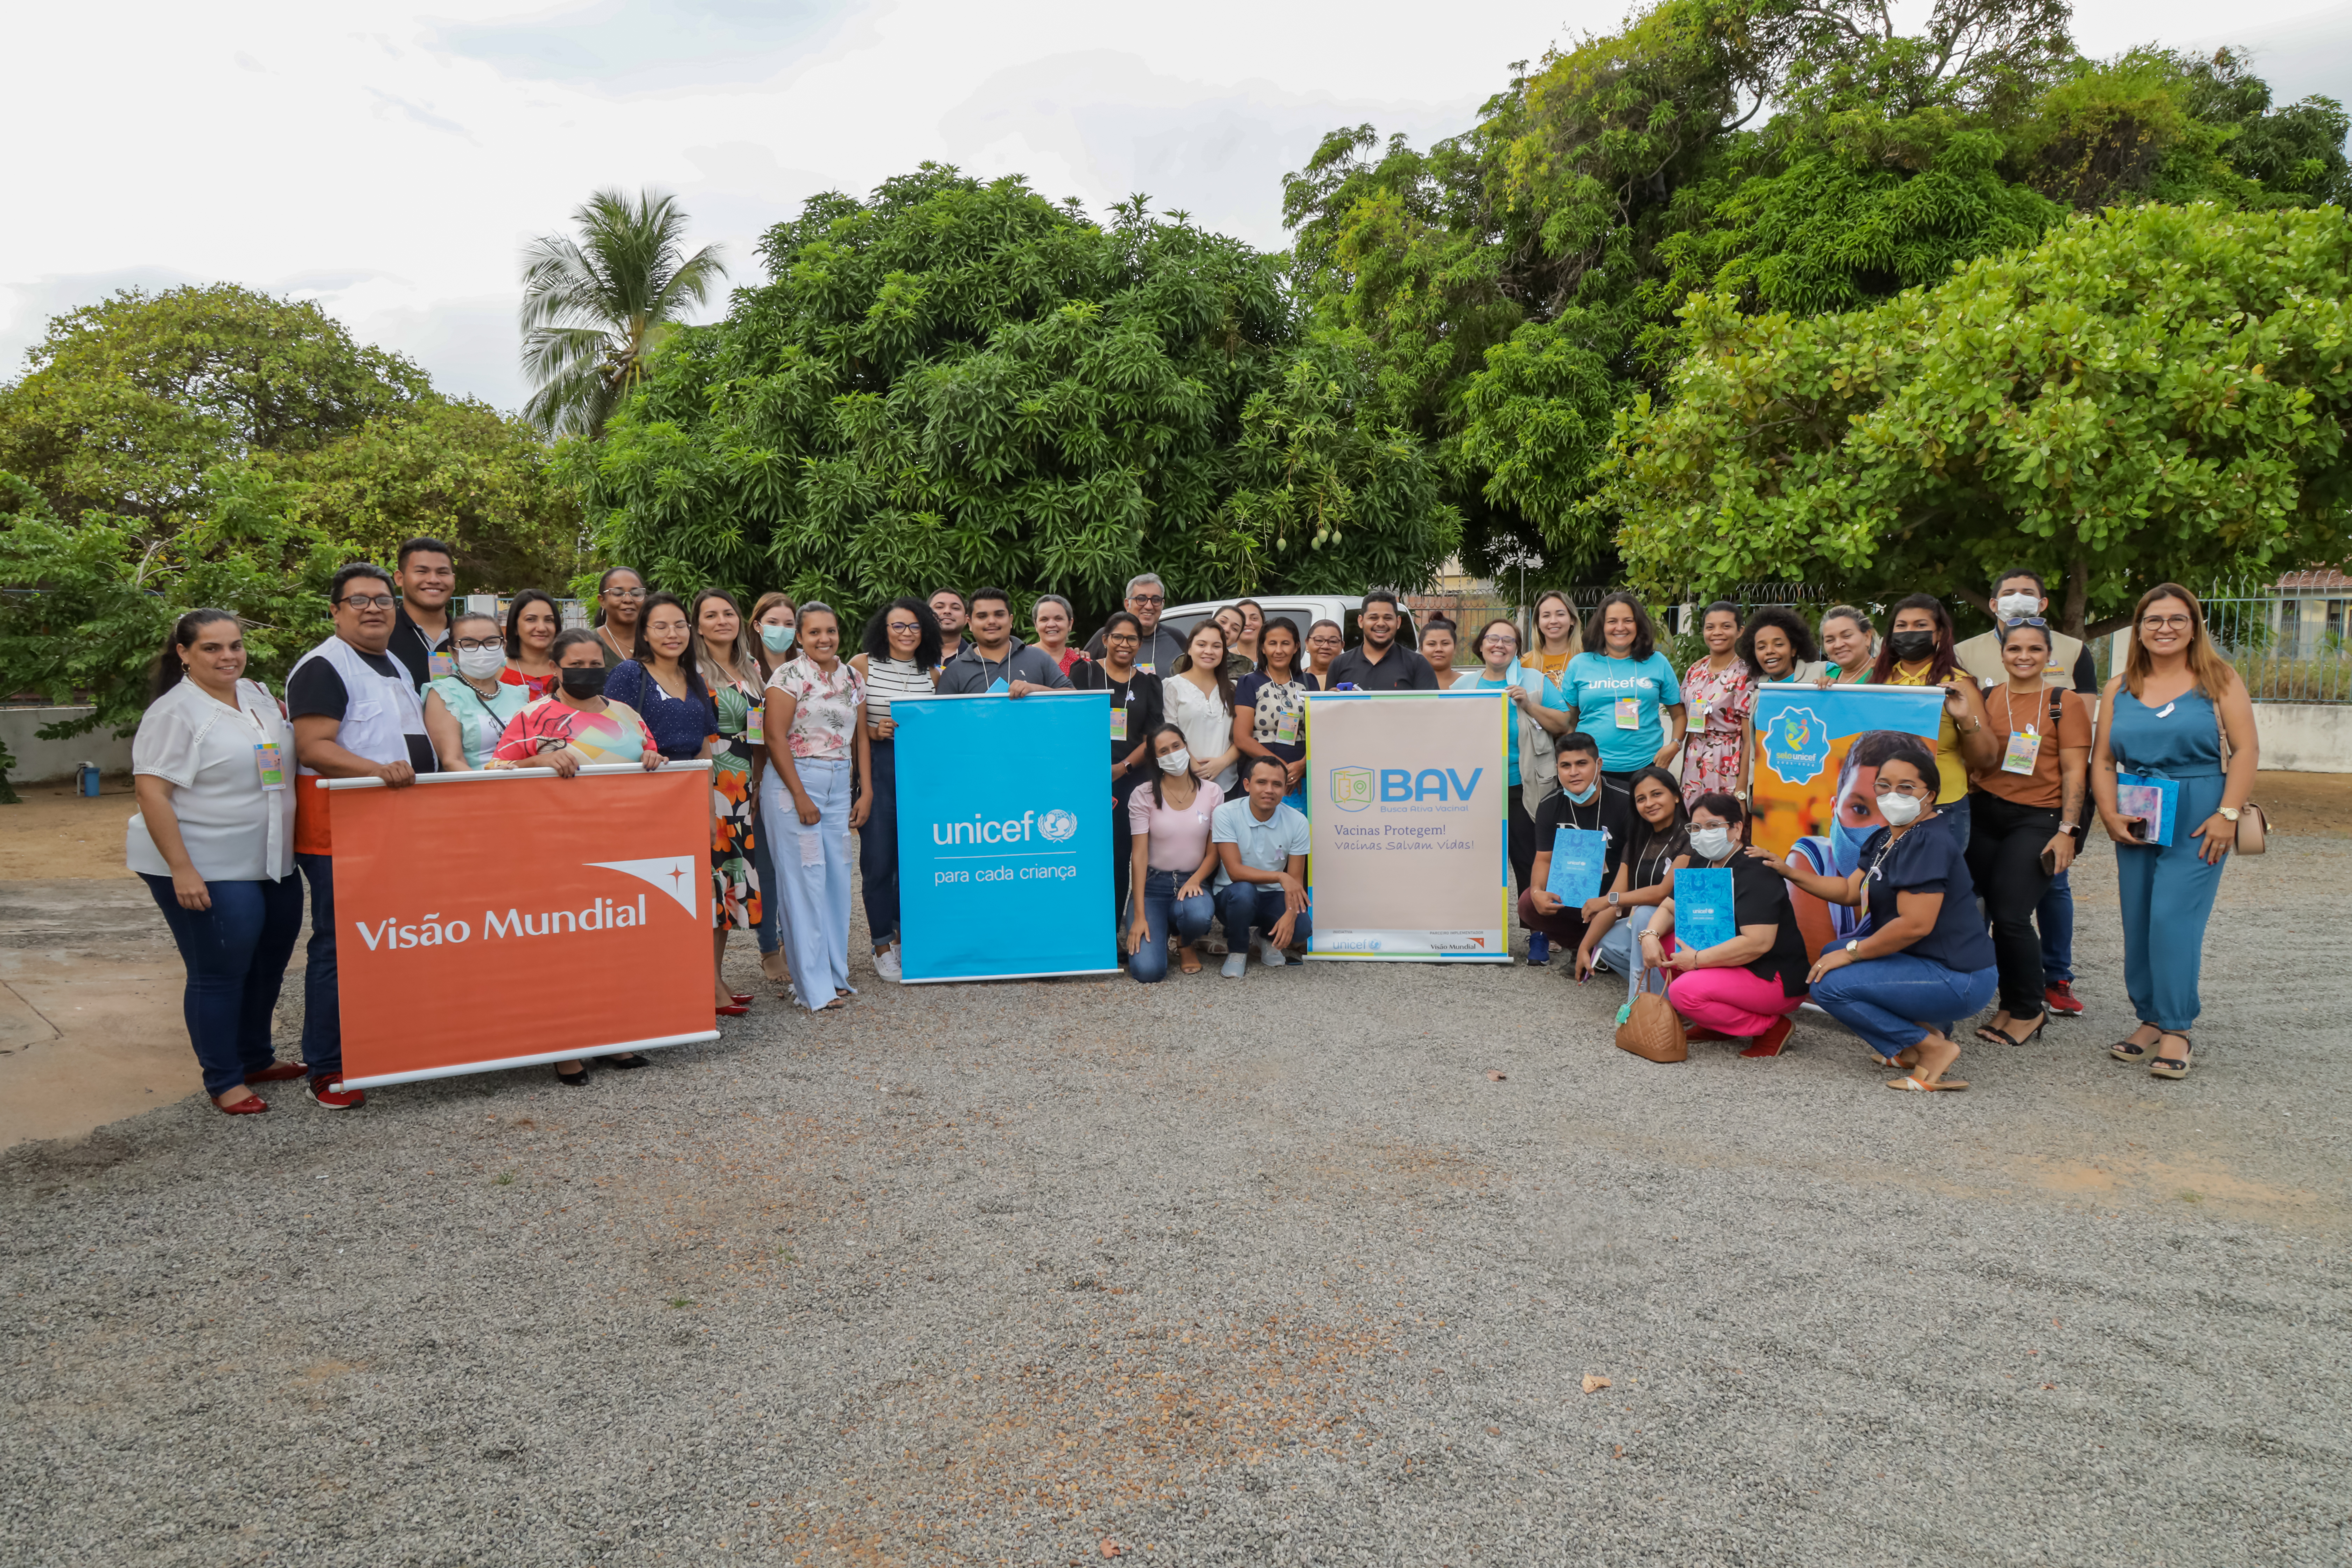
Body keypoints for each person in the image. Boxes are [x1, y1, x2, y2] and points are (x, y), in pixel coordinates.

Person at [128, 610, 304, 1114]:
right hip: (207, 862)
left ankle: (255, 1057)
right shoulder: (174, 713)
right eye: (212, 648)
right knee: (220, 971)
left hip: (271, 858)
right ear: (184, 653)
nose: (228, 656)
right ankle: (224, 1079)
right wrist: (183, 869)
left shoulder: (255, 695)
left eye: (235, 645)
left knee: (269, 964)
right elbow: (153, 793)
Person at [1757, 736, 1997, 1092]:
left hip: (1958, 976)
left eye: (1906, 787)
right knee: (1828, 955)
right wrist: (1789, 871)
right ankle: (1915, 1043)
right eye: (1884, 786)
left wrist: (1851, 952)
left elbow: (1915, 924)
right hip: (1926, 964)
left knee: (1829, 985)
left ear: (1930, 794)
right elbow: (1851, 891)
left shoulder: (1927, 841)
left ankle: (1933, 1048)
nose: (1892, 795)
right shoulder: (1888, 836)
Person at [287, 564, 439, 1110]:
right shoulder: (325, 667)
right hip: (340, 833)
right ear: (335, 610)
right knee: (338, 947)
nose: (373, 609)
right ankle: (328, 1066)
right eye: (359, 601)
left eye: (382, 600)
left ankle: (378, 1046)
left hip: (390, 829)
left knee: (388, 942)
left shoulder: (393, 663)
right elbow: (314, 747)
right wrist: (377, 772)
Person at [2092, 583, 2259, 1081]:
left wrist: (2227, 814)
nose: (2165, 629)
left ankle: (2178, 1029)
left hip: (2199, 811)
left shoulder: (2218, 679)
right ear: (2139, 629)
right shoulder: (2118, 687)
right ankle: (2150, 1017)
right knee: (2139, 917)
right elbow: (2103, 759)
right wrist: (2108, 812)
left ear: (2194, 628)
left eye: (2177, 620)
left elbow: (2247, 750)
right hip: (2138, 807)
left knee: (2172, 918)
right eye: (2154, 620)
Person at [491, 629, 664, 1081]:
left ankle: (615, 1038)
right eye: (578, 665)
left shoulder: (626, 713)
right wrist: (537, 762)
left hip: (623, 849)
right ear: (556, 668)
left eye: (595, 665)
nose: (588, 673)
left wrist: (653, 760)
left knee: (617, 943)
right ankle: (565, 1045)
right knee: (565, 947)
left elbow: (651, 754)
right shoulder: (533, 717)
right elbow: (493, 770)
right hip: (557, 850)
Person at [1953, 568, 2097, 1019]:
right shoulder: (1988, 697)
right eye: (2014, 648)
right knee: (1978, 906)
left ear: (2048, 654)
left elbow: (2077, 773)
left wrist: (2068, 831)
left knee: (2013, 915)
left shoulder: (2064, 702)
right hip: (1986, 813)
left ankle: (2026, 1009)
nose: (2024, 655)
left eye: (2035, 649)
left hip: (2038, 819)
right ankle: (1983, 992)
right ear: (2002, 652)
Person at [763, 603, 873, 1012]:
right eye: (814, 633)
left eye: (831, 631)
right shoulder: (788, 676)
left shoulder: (852, 676)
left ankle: (833, 974)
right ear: (800, 638)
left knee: (837, 881)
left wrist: (866, 791)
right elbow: (775, 738)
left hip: (840, 783)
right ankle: (812, 987)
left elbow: (861, 736)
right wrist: (800, 795)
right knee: (804, 881)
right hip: (797, 784)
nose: (824, 639)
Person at [1642, 793, 1811, 1057]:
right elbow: (1669, 907)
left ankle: (1771, 1028)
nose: (1702, 834)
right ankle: (1715, 1024)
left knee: (1683, 992)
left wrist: (1697, 960)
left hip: (1770, 975)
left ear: (1737, 828)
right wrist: (1649, 936)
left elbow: (1759, 943)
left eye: (1712, 826)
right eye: (1695, 828)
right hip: (1729, 963)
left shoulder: (1757, 872)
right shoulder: (1701, 861)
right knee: (1667, 944)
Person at [850, 598, 942, 982]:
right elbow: (854, 730)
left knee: (915, 861)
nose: (907, 633)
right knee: (878, 861)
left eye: (915, 626)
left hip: (921, 777)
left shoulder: (934, 675)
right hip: (879, 772)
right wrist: (874, 734)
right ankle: (881, 945)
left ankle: (908, 939)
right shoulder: (862, 665)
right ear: (883, 630)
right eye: (898, 626)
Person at [693, 588, 769, 1015]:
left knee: (724, 891)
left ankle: (715, 978)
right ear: (697, 624)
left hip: (742, 787)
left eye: (728, 613)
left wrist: (756, 782)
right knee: (709, 886)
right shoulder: (691, 668)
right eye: (711, 614)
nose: (722, 620)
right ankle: (707, 983)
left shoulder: (750, 666)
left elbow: (755, 733)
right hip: (710, 784)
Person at [1466, 618, 1572, 924]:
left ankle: (1537, 930)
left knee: (1529, 860)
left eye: (1508, 640)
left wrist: (1528, 704)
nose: (1499, 645)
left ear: (1517, 649)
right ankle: (1478, 929)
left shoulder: (1536, 682)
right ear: (1481, 645)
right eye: (1492, 638)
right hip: (1474, 789)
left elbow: (1563, 724)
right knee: (1478, 861)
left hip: (1524, 787)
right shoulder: (1464, 686)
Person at [1871, 593, 1997, 844]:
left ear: (1939, 634)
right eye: (1902, 626)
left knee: (1933, 882)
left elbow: (1986, 758)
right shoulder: (1876, 681)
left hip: (1941, 806)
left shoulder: (1959, 686)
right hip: (1884, 803)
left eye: (1921, 626)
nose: (1910, 632)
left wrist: (1965, 720)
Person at [1080, 611, 1164, 928]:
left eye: (1132, 638)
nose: (1124, 644)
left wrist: (1123, 767)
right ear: (1105, 640)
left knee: (1119, 857)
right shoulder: (1084, 673)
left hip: (1130, 779)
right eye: (1118, 637)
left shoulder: (1148, 683)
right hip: (1086, 778)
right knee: (1083, 850)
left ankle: (1111, 930)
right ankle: (1081, 927)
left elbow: (1152, 737)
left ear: (1140, 644)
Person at [1572, 766, 1687, 997]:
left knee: (1644, 914)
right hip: (1648, 925)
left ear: (1675, 795)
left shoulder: (1689, 837)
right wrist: (1585, 947)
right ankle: (1663, 997)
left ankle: (1639, 1001)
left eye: (1657, 794)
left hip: (1680, 922)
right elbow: (1615, 899)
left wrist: (1608, 900)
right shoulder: (1637, 842)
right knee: (1606, 940)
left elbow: (1663, 893)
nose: (1649, 803)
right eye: (1641, 799)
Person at [1520, 733, 1632, 968]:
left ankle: (1604, 948)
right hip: (1574, 890)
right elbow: (1543, 859)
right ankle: (1583, 946)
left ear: (1598, 764)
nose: (1573, 772)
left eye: (1582, 764)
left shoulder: (1627, 801)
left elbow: (1636, 863)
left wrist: (1611, 899)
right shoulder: (1550, 805)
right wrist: (1539, 892)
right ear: (1557, 768)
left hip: (1618, 890)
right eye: (1566, 766)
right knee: (1528, 905)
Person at [1124, 723, 1222, 981]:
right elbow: (1139, 855)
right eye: (1164, 751)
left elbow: (1214, 852)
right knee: (1148, 972)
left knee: (1199, 914)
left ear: (1186, 747)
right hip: (1153, 886)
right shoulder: (1143, 795)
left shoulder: (1213, 792)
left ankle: (1184, 941)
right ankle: (1160, 929)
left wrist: (1196, 880)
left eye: (1176, 746)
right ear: (1156, 760)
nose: (1172, 754)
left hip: (1193, 881)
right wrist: (1139, 917)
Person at [1559, 592, 1685, 787]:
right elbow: (1569, 722)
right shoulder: (1580, 664)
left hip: (1647, 767)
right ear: (1602, 626)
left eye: (1628, 621)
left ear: (1638, 625)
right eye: (1612, 621)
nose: (1620, 628)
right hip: (1591, 768)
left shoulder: (1658, 662)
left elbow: (1679, 715)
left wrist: (1674, 746)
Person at [1210, 755, 1311, 978]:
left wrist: (1291, 916)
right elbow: (1235, 872)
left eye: (1277, 784)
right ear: (1247, 785)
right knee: (1244, 892)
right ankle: (1238, 949)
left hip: (1272, 896)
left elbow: (1295, 881)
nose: (1270, 790)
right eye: (1262, 782)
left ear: (1286, 789)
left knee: (1303, 927)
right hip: (1232, 895)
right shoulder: (1226, 814)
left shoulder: (1298, 822)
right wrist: (1280, 877)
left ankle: (1265, 936)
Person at [746, 591, 800, 992]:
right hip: (761, 775)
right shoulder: (747, 672)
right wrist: (757, 779)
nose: (781, 630)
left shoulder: (806, 667)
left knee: (799, 864)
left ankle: (796, 939)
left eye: (789, 623)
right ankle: (769, 948)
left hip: (806, 777)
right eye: (774, 622)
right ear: (757, 624)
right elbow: (755, 734)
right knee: (765, 866)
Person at [1954, 568, 2098, 693]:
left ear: (2042, 604)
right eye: (2009, 594)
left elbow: (2083, 716)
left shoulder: (2074, 650)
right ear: (1994, 605)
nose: (2018, 599)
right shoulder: (1963, 654)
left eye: (2028, 594)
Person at [422, 610, 531, 770]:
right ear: (453, 653)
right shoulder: (444, 695)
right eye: (469, 644)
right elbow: (452, 760)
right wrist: (487, 781)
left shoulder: (518, 695)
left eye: (491, 642)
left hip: (525, 785)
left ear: (504, 647)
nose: (482, 650)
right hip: (477, 789)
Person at [1734, 607, 1821, 798]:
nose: (1770, 651)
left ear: (1794, 649)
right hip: (1768, 790)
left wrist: (1832, 680)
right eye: (1762, 647)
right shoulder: (1758, 688)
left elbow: (1855, 672)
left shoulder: (1821, 672)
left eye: (1779, 644)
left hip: (1814, 789)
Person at [1232, 617, 1316, 812]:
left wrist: (1303, 765)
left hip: (1303, 771)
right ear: (1262, 648)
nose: (1279, 651)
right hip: (1263, 771)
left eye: (1286, 644)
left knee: (1302, 831)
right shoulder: (1249, 682)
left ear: (1296, 647)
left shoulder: (1309, 682)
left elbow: (1319, 732)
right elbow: (1242, 738)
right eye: (1272, 644)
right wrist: (1282, 769)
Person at [1678, 601, 1750, 805]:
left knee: (1722, 827)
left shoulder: (1745, 675)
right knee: (1693, 825)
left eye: (1726, 626)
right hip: (1695, 761)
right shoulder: (1695, 671)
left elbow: (1749, 739)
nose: (1717, 632)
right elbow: (1692, 726)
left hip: (1727, 762)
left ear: (1740, 631)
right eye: (1710, 627)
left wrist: (1742, 789)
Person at [938, 587, 1075, 695]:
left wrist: (1036, 690)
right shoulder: (955, 670)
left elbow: (1074, 697)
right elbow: (942, 720)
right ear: (970, 623)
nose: (991, 621)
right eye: (982, 616)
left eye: (999, 615)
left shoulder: (1039, 657)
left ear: (1010, 620)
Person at [1165, 621, 1242, 792]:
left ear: (1224, 652)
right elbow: (1169, 734)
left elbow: (1243, 736)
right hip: (1185, 783)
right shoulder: (1172, 686)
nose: (1209, 651)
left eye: (1217, 646)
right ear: (1190, 649)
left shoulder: (1233, 688)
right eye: (1202, 645)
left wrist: (1222, 763)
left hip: (1228, 785)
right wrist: (1194, 766)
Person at [1326, 590, 1440, 690]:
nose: (1381, 624)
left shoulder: (1418, 665)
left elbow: (1431, 710)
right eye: (1374, 618)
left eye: (1388, 618)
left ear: (1398, 622)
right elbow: (1328, 711)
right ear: (1361, 621)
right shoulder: (1339, 665)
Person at [384, 536, 458, 690]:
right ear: (399, 578)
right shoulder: (382, 634)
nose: (433, 580)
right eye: (422, 572)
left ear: (453, 580)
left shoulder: (467, 638)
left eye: (442, 573)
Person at [1084, 573, 1186, 674]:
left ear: (1163, 604)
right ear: (1127, 604)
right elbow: (1083, 673)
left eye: (1156, 600)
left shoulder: (1176, 638)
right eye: (1141, 599)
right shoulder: (1109, 635)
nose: (1149, 606)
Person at [502, 588, 562, 698]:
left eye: (549, 620)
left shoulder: (567, 671)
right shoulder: (497, 674)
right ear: (515, 627)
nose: (542, 628)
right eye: (531, 619)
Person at [1525, 589, 1584, 691]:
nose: (1553, 621)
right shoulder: (1524, 663)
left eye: (1560, 614)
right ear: (1538, 623)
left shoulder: (1588, 658)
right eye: (1546, 616)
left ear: (1572, 620)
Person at [592, 567, 647, 668]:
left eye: (636, 594)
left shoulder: (658, 641)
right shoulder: (588, 644)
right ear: (602, 601)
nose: (628, 600)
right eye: (618, 594)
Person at [1031, 594, 1090, 677]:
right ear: (1036, 625)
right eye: (1044, 620)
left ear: (1070, 624)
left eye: (1058, 619)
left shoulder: (1084, 665)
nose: (1051, 625)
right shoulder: (1019, 659)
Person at [1816, 604, 1876, 685]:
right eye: (1830, 640)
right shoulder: (1825, 677)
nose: (1838, 645)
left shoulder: (1885, 676)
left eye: (1847, 636)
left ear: (1867, 637)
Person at [929, 588, 969, 669]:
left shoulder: (980, 658)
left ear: (966, 620)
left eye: (955, 608)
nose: (947, 611)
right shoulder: (911, 653)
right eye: (940, 607)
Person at [1416, 615, 1462, 687]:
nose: (1439, 649)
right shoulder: (1410, 684)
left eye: (1445, 644)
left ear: (1455, 648)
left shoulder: (1470, 684)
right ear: (1421, 649)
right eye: (1432, 644)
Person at [1212, 605, 1256, 680]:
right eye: (1223, 622)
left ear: (1237, 639)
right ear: (1210, 623)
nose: (1227, 629)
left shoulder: (1245, 665)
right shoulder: (1187, 660)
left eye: (1235, 629)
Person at [1303, 618, 1344, 686]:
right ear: (1307, 644)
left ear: (1342, 646)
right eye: (1319, 640)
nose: (1325, 647)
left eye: (1333, 641)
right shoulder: (1294, 679)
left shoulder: (1351, 679)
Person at [1234, 599, 1266, 666]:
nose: (1247, 623)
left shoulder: (1275, 657)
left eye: (1254, 618)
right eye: (1242, 619)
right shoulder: (1222, 658)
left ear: (1263, 624)